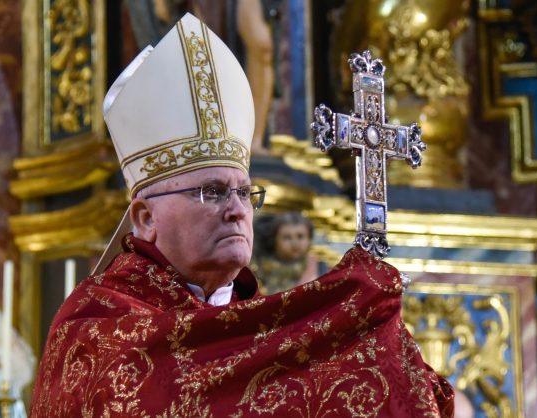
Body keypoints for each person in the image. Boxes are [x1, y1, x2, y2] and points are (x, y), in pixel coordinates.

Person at [29, 13, 454, 417]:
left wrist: (378, 349)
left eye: (245, 193)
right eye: (212, 192)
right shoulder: (99, 328)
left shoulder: (267, 331)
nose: (236, 210)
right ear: (145, 219)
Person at [252, 212, 319, 293]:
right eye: (287, 237)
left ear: (309, 239)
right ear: (274, 240)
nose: (294, 243)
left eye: (300, 236)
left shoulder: (319, 267)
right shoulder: (257, 268)